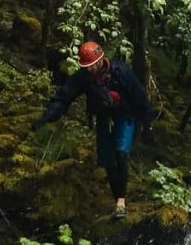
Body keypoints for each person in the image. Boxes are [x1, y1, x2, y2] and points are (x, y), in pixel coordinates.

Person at [31, 41, 155, 219]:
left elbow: (140, 96)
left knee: (121, 153)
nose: (89, 69)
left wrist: (147, 123)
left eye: (91, 65)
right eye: (86, 66)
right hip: (104, 117)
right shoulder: (84, 77)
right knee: (108, 160)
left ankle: (121, 201)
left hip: (124, 115)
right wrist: (47, 116)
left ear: (100, 60)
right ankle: (116, 200)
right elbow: (64, 96)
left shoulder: (121, 72)